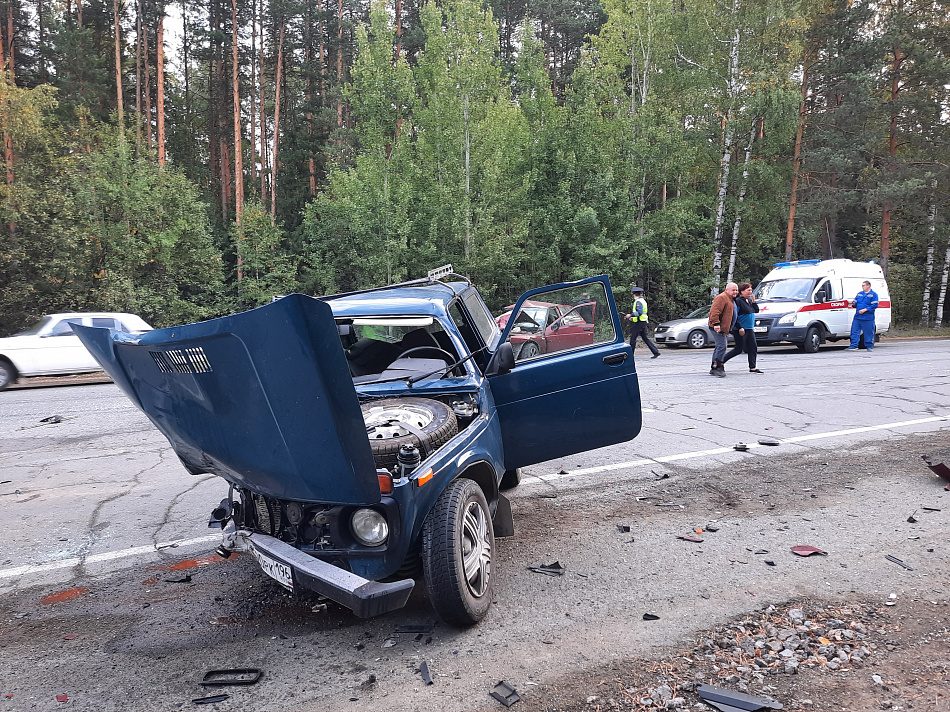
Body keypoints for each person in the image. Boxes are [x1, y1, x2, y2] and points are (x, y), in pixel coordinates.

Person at [723, 282, 762, 373]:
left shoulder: (748, 300)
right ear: (742, 291)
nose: (750, 292)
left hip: (749, 328)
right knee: (738, 349)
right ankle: (720, 362)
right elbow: (734, 316)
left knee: (753, 347)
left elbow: (756, 310)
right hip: (741, 329)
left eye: (751, 290)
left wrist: (754, 302)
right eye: (748, 290)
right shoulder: (738, 301)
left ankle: (752, 367)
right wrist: (739, 327)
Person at [708, 282, 738, 377]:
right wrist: (716, 324)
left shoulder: (731, 299)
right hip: (717, 327)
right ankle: (718, 367)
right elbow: (714, 311)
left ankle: (714, 366)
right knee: (722, 346)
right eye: (733, 290)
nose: (735, 292)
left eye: (736, 290)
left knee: (719, 346)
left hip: (724, 327)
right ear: (726, 290)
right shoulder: (721, 298)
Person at [624, 287, 660, 359]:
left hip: (639, 323)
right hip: (642, 321)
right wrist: (633, 318)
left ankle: (630, 356)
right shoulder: (643, 301)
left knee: (633, 339)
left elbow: (639, 313)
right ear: (640, 294)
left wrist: (630, 315)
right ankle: (655, 352)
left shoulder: (638, 302)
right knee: (645, 338)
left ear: (634, 294)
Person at [845, 280, 879, 351]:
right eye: (862, 285)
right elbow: (856, 302)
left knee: (868, 332)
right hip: (858, 317)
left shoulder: (873, 295)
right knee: (854, 331)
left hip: (867, 318)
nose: (862, 287)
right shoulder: (860, 294)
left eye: (864, 285)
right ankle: (854, 345)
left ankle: (869, 346)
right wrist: (853, 303)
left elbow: (874, 305)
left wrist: (865, 309)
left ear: (868, 286)